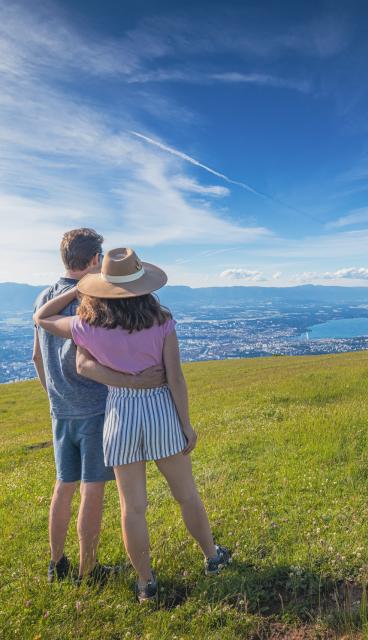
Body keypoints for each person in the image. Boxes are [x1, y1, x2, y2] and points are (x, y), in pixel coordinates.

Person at [34, 247, 231, 602]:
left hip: (119, 413)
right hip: (160, 410)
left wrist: (78, 290)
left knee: (132, 507)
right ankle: (212, 557)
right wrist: (185, 425)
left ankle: (145, 583)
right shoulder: (161, 321)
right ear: (143, 284)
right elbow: (176, 378)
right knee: (186, 495)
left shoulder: (86, 326)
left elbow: (42, 318)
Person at [33, 229, 166, 584]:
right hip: (94, 406)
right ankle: (87, 571)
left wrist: (54, 397)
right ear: (94, 260)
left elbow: (36, 356)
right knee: (93, 489)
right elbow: (88, 361)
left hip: (60, 410)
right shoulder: (91, 302)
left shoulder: (44, 296)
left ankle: (56, 563)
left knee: (63, 485)